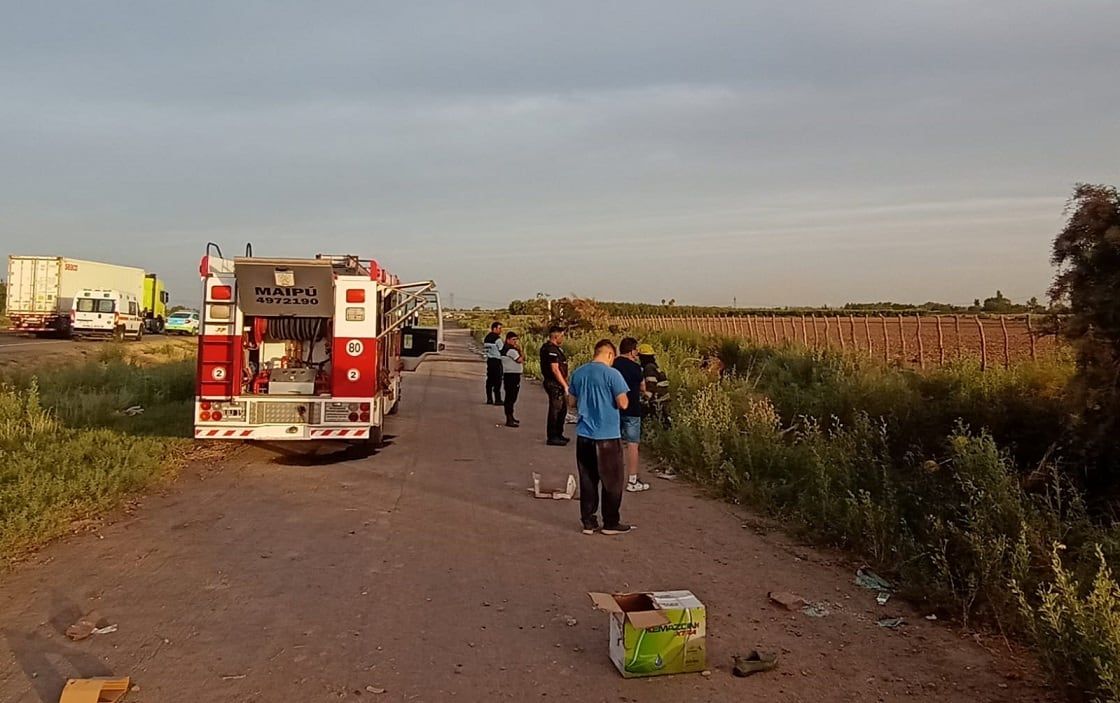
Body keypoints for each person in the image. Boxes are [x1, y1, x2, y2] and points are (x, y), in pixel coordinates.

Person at [568, 339, 633, 535]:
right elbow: (623, 403)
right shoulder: (613, 374)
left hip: (584, 435)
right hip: (607, 436)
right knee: (612, 481)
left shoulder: (579, 372)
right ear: (610, 354)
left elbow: (571, 401)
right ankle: (611, 522)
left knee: (588, 479)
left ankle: (588, 521)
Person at [613, 337, 649, 492]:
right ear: (632, 350)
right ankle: (632, 480)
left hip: (614, 408)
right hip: (632, 409)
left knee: (615, 442)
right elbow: (643, 387)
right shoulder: (636, 368)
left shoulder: (612, 364)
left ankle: (612, 476)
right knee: (633, 444)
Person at [540, 326, 570, 446]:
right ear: (556, 336)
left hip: (558, 383)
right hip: (554, 383)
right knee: (556, 410)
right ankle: (552, 436)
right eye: (562, 336)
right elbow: (555, 369)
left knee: (562, 409)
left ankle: (559, 434)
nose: (563, 338)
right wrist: (564, 385)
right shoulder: (550, 349)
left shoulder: (556, 349)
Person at [638, 343, 671, 429]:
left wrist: (643, 400)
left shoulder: (649, 368)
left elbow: (651, 387)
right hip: (663, 401)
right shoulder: (655, 367)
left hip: (657, 402)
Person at [501, 331, 523, 427]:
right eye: (513, 340)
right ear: (508, 340)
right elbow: (520, 360)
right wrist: (521, 351)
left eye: (516, 340)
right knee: (511, 397)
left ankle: (511, 417)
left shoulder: (505, 349)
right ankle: (509, 418)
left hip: (509, 375)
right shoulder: (511, 350)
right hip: (512, 376)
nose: (515, 342)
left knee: (510, 397)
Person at [483, 321, 504, 405]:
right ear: (494, 328)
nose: (501, 330)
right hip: (497, 361)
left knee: (490, 381)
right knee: (497, 381)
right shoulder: (497, 339)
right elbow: (502, 350)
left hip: (490, 360)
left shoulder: (486, 338)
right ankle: (498, 399)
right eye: (499, 328)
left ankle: (489, 399)